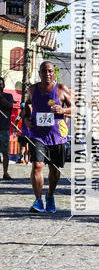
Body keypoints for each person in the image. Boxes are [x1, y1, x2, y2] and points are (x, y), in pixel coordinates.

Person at [24, 61, 71, 213]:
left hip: (56, 135)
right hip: (37, 134)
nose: (47, 74)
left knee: (54, 169)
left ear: (54, 73)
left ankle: (50, 196)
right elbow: (26, 105)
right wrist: (26, 118)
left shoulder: (61, 89)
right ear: (40, 73)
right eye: (44, 71)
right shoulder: (32, 89)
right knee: (37, 165)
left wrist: (63, 110)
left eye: (50, 71)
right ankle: (38, 201)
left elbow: (75, 108)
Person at [0, 77, 15, 180]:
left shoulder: (8, 96)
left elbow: (9, 106)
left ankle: (5, 172)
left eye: (0, 84)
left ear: (3, 85)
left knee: (5, 152)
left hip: (4, 128)